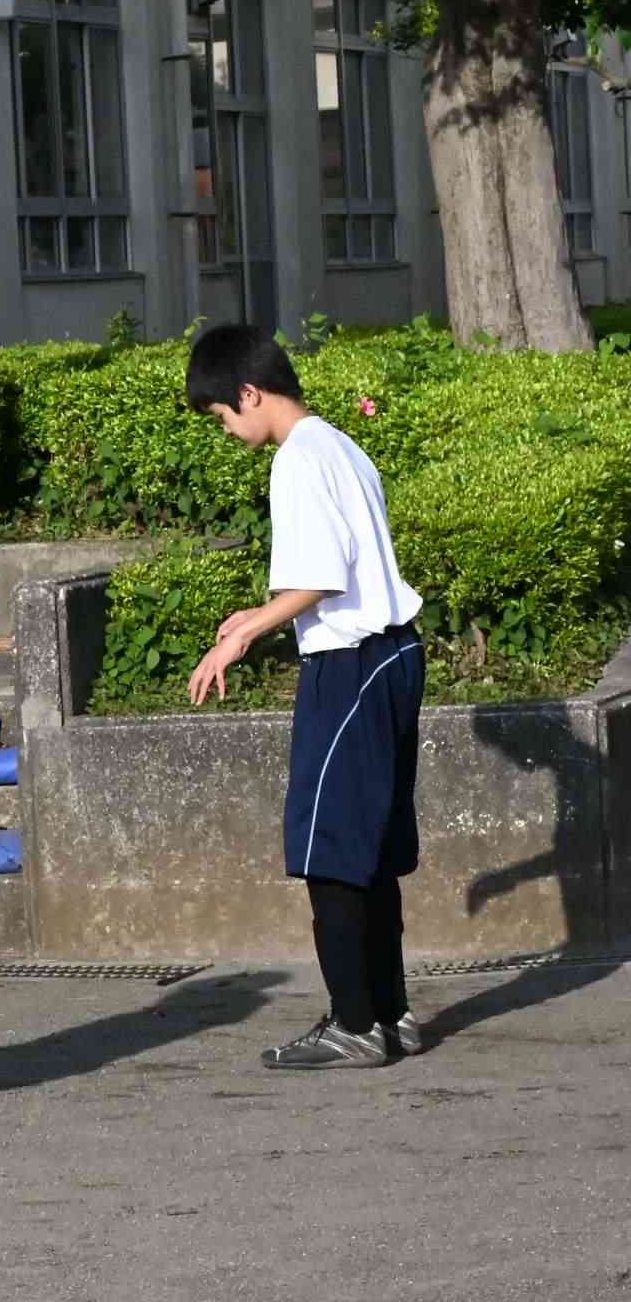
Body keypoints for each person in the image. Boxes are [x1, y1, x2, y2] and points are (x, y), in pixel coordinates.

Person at [182, 324, 426, 1069]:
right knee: (369, 850)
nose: (227, 431)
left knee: (329, 849)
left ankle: (355, 1023)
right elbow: (342, 564)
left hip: (351, 665)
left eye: (222, 416)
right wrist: (256, 616)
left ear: (248, 393)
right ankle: (390, 1015)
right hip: (394, 655)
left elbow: (322, 576)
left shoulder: (296, 459)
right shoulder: (340, 444)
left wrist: (244, 636)